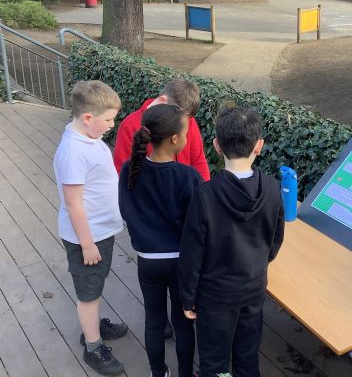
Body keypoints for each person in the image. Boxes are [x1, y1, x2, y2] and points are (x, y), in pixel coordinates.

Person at [178, 107, 285, 377]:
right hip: (253, 289)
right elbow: (275, 239)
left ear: (216, 146)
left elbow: (192, 255)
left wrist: (188, 297)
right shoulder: (272, 188)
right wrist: (257, 264)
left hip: (214, 297)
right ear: (259, 146)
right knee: (247, 356)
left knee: (215, 362)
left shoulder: (205, 195)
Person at [119, 104, 202, 377]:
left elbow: (126, 211)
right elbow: (198, 224)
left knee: (154, 322)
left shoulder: (130, 170)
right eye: (186, 133)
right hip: (181, 262)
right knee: (183, 323)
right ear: (175, 139)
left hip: (148, 261)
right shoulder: (188, 176)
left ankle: (158, 372)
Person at [53, 80, 127, 376]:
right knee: (88, 293)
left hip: (100, 232)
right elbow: (74, 205)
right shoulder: (73, 152)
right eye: (108, 120)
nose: (112, 125)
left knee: (95, 285)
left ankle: (93, 326)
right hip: (88, 237)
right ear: (87, 117)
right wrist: (87, 244)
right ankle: (93, 345)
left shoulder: (88, 137)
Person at [113, 78, 210, 181]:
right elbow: (123, 173)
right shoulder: (129, 126)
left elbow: (198, 160)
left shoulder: (186, 119)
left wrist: (204, 189)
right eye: (176, 114)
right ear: (162, 101)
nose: (182, 121)